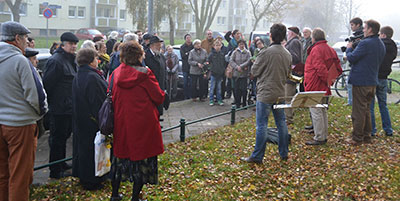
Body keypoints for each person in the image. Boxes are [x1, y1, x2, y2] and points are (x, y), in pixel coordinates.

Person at [109, 41, 165, 201]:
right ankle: (135, 197)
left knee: (119, 161)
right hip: (143, 125)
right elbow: (158, 96)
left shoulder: (116, 73)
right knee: (142, 163)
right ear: (139, 56)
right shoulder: (145, 73)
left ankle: (115, 195)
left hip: (122, 123)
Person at [0, 21, 47, 201]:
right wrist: (40, 114)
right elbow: (36, 96)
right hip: (20, 124)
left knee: (3, 174)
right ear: (17, 38)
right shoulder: (20, 60)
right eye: (26, 38)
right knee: (20, 176)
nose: (28, 42)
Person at [241, 23, 292, 163]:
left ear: (270, 35)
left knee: (262, 124)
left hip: (265, 93)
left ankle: (257, 156)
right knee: (281, 123)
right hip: (280, 93)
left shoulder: (265, 52)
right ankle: (284, 153)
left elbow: (254, 71)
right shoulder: (287, 54)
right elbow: (288, 74)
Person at [43, 32, 79, 179]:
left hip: (68, 107)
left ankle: (62, 163)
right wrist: (53, 105)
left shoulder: (70, 59)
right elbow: (48, 85)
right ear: (63, 44)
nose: (74, 47)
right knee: (57, 139)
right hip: (59, 108)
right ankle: (55, 169)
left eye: (75, 44)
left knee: (64, 137)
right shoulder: (56, 61)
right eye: (71, 44)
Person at [345, 19, 386, 145]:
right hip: (372, 81)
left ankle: (357, 138)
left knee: (358, 111)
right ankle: (367, 136)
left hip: (361, 81)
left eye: (365, 28)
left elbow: (352, 58)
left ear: (370, 30)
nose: (363, 30)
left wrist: (348, 49)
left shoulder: (365, 43)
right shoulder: (380, 43)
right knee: (367, 110)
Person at [72, 48, 107, 190]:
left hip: (82, 119)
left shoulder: (80, 74)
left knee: (85, 150)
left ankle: (87, 177)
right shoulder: (92, 77)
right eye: (96, 58)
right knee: (93, 151)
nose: (98, 61)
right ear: (91, 61)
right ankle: (93, 180)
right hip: (92, 121)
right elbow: (98, 101)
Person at [304, 28, 342, 145]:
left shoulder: (316, 50)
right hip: (323, 85)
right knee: (322, 110)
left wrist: (327, 80)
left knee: (316, 111)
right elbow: (338, 67)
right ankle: (323, 135)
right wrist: (330, 80)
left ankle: (319, 137)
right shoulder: (330, 49)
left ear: (314, 37)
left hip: (315, 84)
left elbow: (320, 68)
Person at [370, 26, 397, 137]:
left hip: (374, 76)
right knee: (383, 105)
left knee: (370, 106)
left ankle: (372, 130)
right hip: (384, 77)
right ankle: (388, 129)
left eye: (380, 34)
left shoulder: (379, 45)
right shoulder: (394, 46)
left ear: (383, 35)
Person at [145, 35, 167, 117]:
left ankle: (158, 120)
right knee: (151, 108)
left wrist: (165, 86)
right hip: (150, 87)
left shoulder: (161, 56)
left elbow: (164, 71)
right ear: (152, 45)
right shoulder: (145, 56)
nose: (160, 46)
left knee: (159, 106)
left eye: (160, 45)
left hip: (160, 85)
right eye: (157, 45)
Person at [284, 26, 303, 124]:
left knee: (288, 96)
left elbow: (296, 57)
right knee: (289, 96)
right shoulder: (295, 41)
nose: (287, 34)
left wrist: (284, 53)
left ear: (292, 33)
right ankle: (288, 116)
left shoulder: (294, 42)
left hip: (291, 74)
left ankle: (288, 118)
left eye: (288, 33)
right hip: (291, 73)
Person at [346, 17, 365, 106]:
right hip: (353, 61)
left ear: (358, 25)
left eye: (352, 25)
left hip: (357, 63)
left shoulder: (361, 37)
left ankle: (352, 102)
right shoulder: (356, 35)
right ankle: (351, 101)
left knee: (351, 83)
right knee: (349, 83)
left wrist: (350, 49)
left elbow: (358, 50)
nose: (351, 27)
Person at [230, 39, 251, 108]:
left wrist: (241, 66)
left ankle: (244, 103)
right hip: (236, 74)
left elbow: (249, 61)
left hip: (244, 74)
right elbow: (231, 60)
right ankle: (237, 103)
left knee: (244, 89)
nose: (241, 46)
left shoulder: (247, 52)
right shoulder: (235, 52)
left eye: (242, 44)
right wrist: (236, 67)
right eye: (240, 44)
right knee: (236, 89)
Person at [208, 40, 227, 106]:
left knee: (219, 88)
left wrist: (223, 71)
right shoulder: (211, 54)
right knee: (212, 87)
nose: (218, 47)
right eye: (216, 45)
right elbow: (208, 62)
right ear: (214, 46)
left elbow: (224, 63)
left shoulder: (222, 54)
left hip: (220, 73)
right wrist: (211, 69)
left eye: (219, 45)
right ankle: (211, 100)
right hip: (213, 73)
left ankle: (219, 99)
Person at [180, 34, 194, 99]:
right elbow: (183, 56)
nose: (188, 39)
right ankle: (186, 96)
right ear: (185, 39)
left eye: (189, 38)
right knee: (185, 83)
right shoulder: (182, 47)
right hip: (185, 67)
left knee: (191, 83)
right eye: (187, 38)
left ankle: (191, 96)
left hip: (192, 67)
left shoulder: (193, 46)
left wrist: (187, 53)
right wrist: (189, 53)